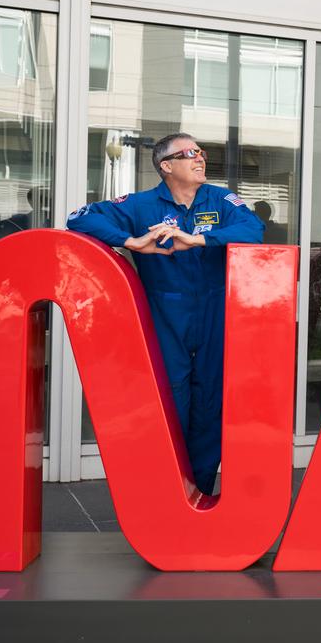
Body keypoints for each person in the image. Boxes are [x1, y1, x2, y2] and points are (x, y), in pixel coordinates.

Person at [66, 133, 264, 495]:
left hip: (214, 311)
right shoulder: (141, 205)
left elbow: (254, 229)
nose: (200, 158)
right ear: (166, 166)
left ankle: (200, 489)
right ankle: (169, 491)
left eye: (201, 152)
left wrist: (198, 239)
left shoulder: (220, 199)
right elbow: (78, 218)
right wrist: (129, 241)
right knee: (169, 400)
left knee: (210, 402)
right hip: (165, 313)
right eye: (189, 154)